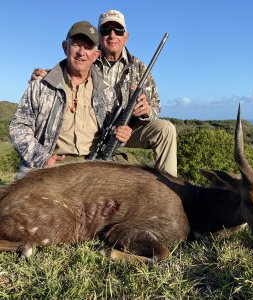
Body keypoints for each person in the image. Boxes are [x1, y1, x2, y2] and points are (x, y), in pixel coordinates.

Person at [31, 10, 178, 177]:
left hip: (126, 130)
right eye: (106, 30)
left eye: (118, 30)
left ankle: (169, 188)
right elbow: (67, 72)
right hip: (96, 130)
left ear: (126, 36)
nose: (112, 35)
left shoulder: (140, 67)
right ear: (99, 36)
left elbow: (156, 106)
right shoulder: (89, 56)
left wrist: (148, 111)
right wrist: (46, 77)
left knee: (166, 129)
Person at [10, 21, 132, 179]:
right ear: (65, 47)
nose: (81, 52)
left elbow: (112, 137)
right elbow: (18, 128)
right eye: (76, 44)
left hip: (94, 166)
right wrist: (42, 158)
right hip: (51, 166)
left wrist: (121, 136)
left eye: (88, 47)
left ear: (96, 55)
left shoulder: (107, 92)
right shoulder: (41, 86)